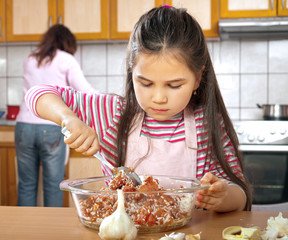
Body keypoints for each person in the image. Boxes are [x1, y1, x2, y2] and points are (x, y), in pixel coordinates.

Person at [24, 6, 252, 212]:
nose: (159, 97)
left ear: (198, 78)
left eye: (174, 85)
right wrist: (69, 118)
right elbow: (37, 93)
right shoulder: (113, 113)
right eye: (145, 83)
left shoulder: (206, 121)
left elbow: (238, 192)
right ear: (131, 73)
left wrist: (223, 197)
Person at [15, 24, 95, 207]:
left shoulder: (30, 58)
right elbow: (86, 91)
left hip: (23, 127)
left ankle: (25, 232)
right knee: (53, 185)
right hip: (51, 126)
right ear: (67, 42)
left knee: (26, 184)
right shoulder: (66, 59)